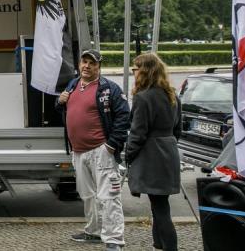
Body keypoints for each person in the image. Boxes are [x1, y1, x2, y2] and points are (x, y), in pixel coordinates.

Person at [56, 49, 130, 251]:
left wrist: (111, 145)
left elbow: (124, 117)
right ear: (79, 64)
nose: (87, 66)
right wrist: (59, 102)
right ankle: (94, 232)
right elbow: (64, 107)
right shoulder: (73, 84)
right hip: (78, 151)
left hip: (101, 151)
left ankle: (114, 239)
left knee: (109, 196)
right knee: (87, 195)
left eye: (92, 63)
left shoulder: (109, 88)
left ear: (99, 66)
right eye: (84, 62)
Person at [125, 53, 182, 251]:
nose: (134, 72)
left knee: (160, 208)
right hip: (169, 151)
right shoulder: (172, 94)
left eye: (136, 68)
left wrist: (128, 155)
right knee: (159, 204)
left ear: (145, 71)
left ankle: (168, 247)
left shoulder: (142, 97)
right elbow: (178, 130)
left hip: (152, 156)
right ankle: (158, 245)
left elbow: (138, 133)